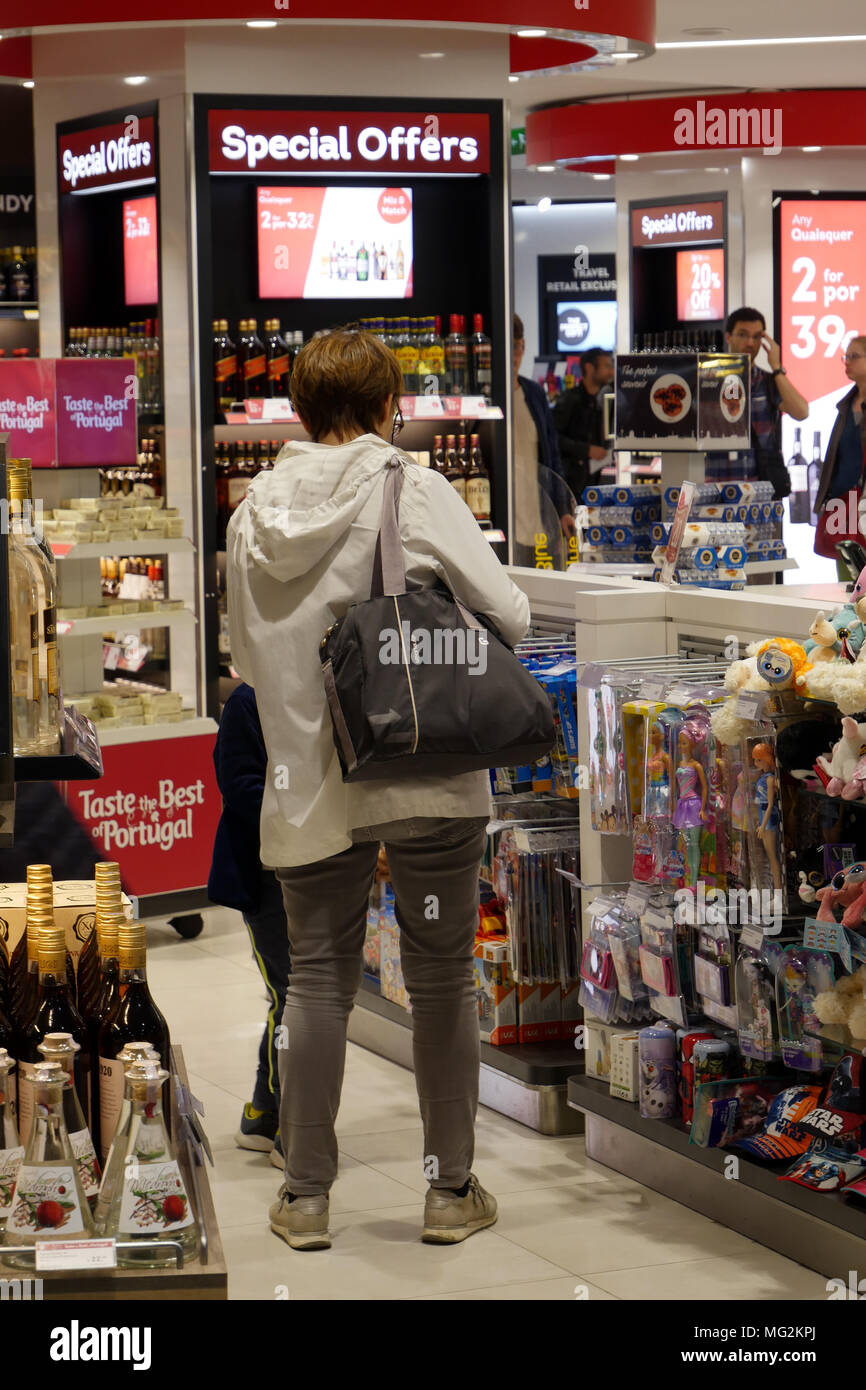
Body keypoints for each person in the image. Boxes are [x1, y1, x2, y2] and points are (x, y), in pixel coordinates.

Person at [227, 328, 530, 1251]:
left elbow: (244, 662)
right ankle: (449, 1193)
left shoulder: (250, 515)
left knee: (317, 982)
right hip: (424, 771)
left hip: (309, 781)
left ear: (297, 409)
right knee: (440, 978)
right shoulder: (414, 485)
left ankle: (307, 1198)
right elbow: (509, 612)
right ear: (390, 402)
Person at [207, 682, 291, 1157]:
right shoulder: (247, 702)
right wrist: (302, 816)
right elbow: (240, 786)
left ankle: (263, 1113)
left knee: (294, 993)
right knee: (292, 994)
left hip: (309, 867)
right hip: (267, 876)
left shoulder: (310, 684)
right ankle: (289, 1123)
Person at [705, 306, 809, 493]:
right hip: (715, 488)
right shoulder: (708, 379)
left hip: (759, 491)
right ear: (728, 337)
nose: (750, 342)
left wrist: (776, 367)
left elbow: (801, 412)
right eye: (743, 335)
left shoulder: (767, 381)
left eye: (757, 337)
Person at [512, 312, 576, 567]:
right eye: (507, 347)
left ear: (524, 347)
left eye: (516, 347)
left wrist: (562, 510)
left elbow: (552, 455)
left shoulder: (535, 395)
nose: (512, 356)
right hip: (502, 521)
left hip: (537, 520)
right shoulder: (488, 398)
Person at [812, 335, 866, 576]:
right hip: (843, 503)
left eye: (854, 356)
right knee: (846, 579)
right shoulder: (845, 405)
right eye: (846, 356)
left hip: (862, 503)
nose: (847, 362)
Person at [552, 347, 614, 500]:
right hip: (571, 484)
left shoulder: (603, 401)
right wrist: (586, 450)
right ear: (589, 368)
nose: (611, 372)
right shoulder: (570, 400)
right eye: (606, 366)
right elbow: (554, 437)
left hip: (595, 482)